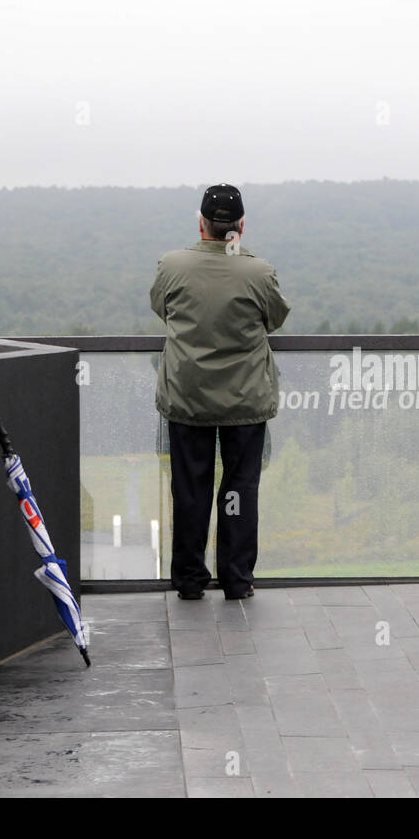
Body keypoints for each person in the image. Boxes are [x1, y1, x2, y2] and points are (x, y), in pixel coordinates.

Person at [150, 184, 291, 600]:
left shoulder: (172, 266)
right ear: (240, 227)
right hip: (245, 399)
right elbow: (275, 319)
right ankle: (236, 578)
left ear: (202, 223)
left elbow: (162, 308)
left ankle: (190, 580)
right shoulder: (259, 272)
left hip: (187, 396)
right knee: (239, 487)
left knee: (189, 487)